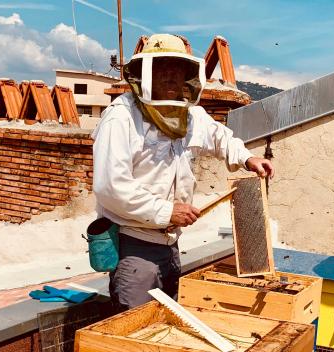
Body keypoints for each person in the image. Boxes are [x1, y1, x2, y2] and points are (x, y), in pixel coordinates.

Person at [92, 34, 274, 312]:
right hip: (134, 244)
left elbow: (220, 137)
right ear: (143, 74)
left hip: (170, 244)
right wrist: (166, 212)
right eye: (161, 68)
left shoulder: (191, 115)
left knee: (165, 324)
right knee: (136, 330)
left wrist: (247, 158)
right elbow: (111, 187)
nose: (170, 77)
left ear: (188, 77)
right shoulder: (122, 118)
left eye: (177, 70)